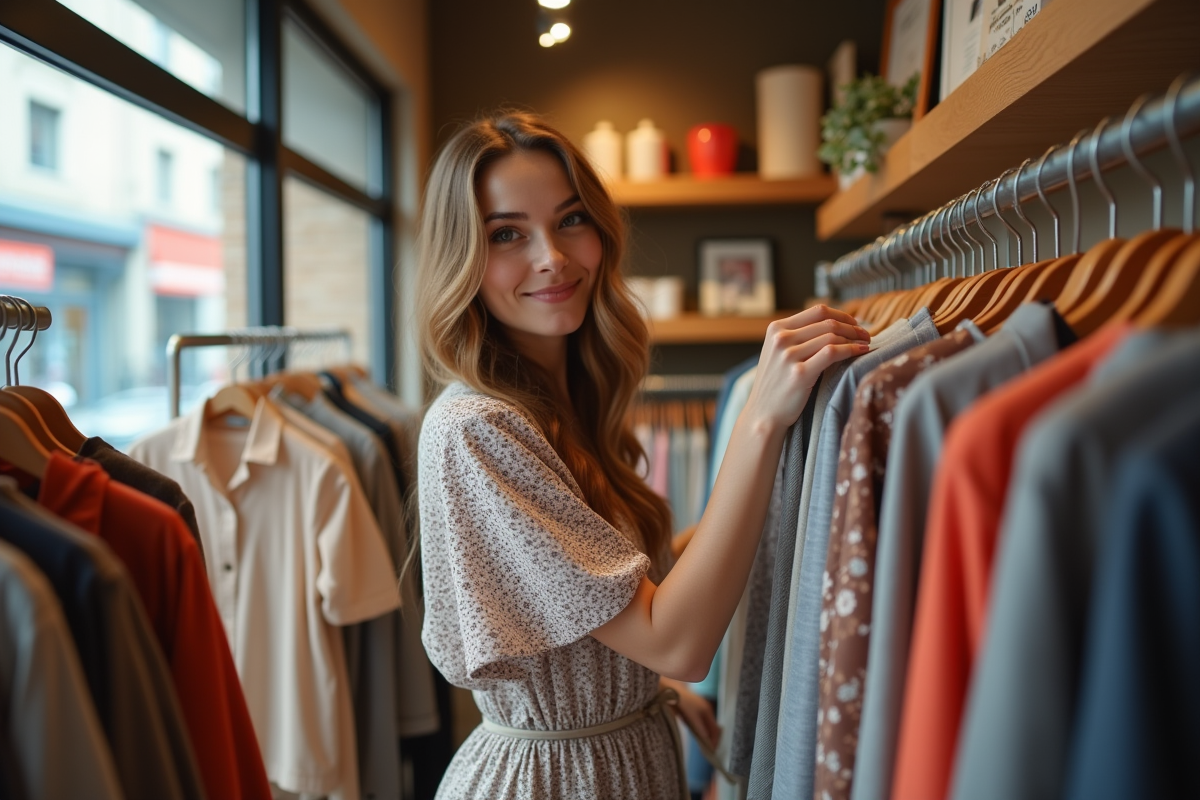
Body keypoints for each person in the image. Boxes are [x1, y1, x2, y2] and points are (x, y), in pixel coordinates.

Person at [414, 111, 870, 799]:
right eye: (507, 233)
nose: (552, 256)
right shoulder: (476, 429)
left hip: (612, 757)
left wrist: (635, 691)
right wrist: (759, 421)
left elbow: (606, 601)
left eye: (570, 220)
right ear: (462, 259)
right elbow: (677, 642)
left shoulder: (563, 402)